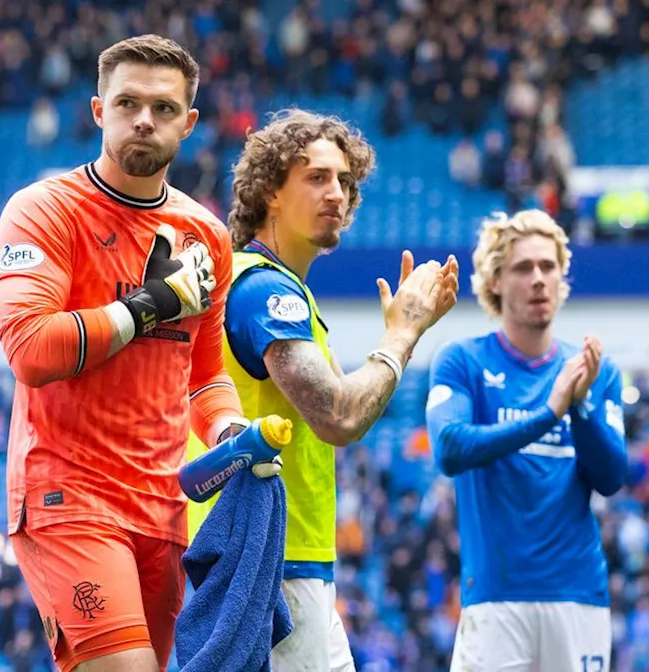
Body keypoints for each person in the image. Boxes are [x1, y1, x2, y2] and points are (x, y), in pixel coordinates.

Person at [0, 35, 251, 672]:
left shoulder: (208, 237)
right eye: (128, 102)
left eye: (164, 109)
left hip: (162, 507)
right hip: (68, 496)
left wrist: (232, 432)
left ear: (188, 125)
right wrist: (147, 306)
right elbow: (30, 348)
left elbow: (205, 376)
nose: (144, 119)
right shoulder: (43, 211)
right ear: (97, 110)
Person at [185, 109, 459, 671]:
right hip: (268, 569)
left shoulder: (277, 290)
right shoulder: (265, 291)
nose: (336, 193)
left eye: (344, 181)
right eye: (316, 177)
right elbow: (337, 414)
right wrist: (403, 333)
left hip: (281, 563)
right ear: (270, 193)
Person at [425, 210, 628, 671]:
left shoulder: (594, 370)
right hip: (495, 598)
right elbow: (450, 449)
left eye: (548, 266)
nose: (538, 279)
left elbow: (612, 476)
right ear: (494, 281)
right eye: (522, 268)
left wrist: (580, 406)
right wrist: (549, 412)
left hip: (578, 598)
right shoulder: (462, 361)